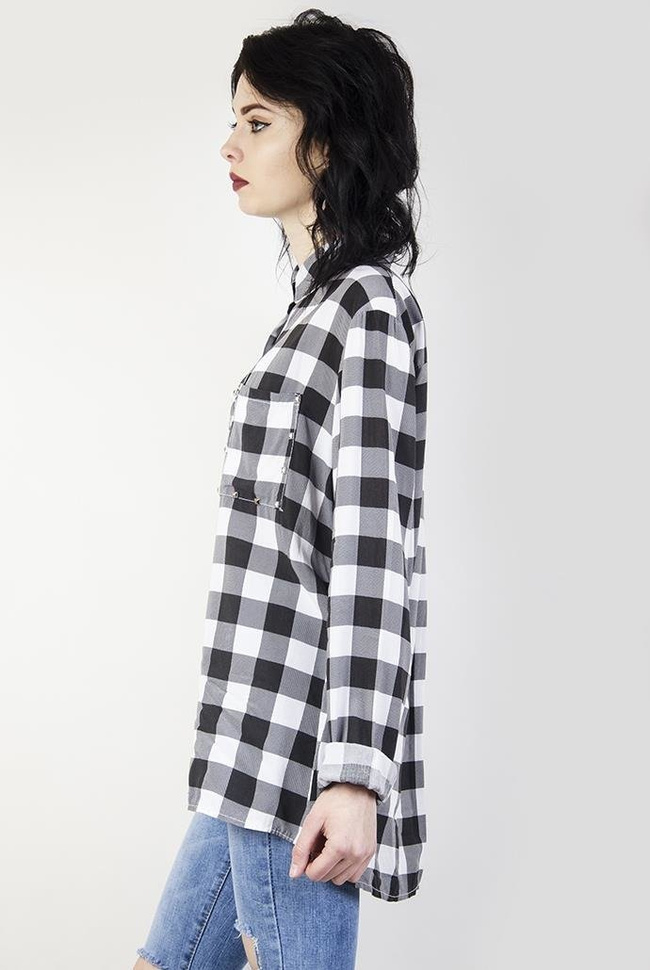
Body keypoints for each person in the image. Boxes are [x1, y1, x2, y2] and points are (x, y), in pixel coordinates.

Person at [134, 8, 428, 970]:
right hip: (245, 742)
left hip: (299, 751)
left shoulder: (368, 309)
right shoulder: (311, 313)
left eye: (258, 122)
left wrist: (354, 775)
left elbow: (374, 552)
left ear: (328, 141)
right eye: (235, 121)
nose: (230, 145)